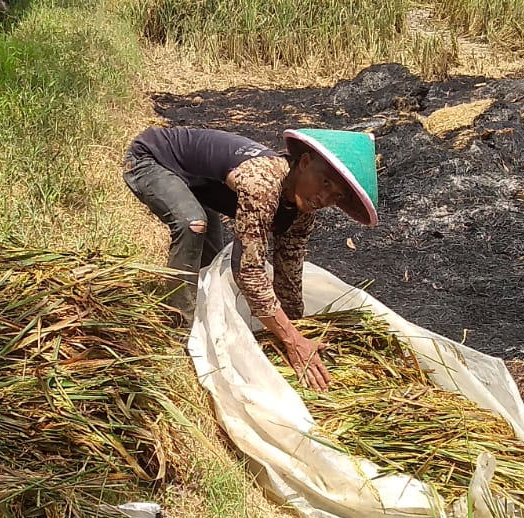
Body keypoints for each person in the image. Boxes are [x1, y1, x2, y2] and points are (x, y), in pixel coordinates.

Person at [122, 126, 380, 390]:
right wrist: (291, 340)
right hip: (151, 159)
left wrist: (297, 331)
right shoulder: (263, 183)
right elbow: (248, 271)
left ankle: (199, 324)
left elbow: (289, 273)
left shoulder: (301, 212)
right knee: (194, 225)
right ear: (304, 163)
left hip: (197, 185)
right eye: (325, 182)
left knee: (212, 268)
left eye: (337, 195)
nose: (324, 198)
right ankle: (178, 333)